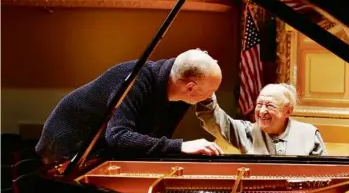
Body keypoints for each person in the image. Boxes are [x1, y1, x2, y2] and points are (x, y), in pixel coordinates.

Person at [36, 49, 224, 164]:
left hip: (101, 147)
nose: (211, 96)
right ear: (190, 87)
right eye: (211, 91)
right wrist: (180, 146)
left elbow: (153, 141)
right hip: (67, 145)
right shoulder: (136, 78)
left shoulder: (180, 95)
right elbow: (118, 136)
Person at [196, 83, 327, 156]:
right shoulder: (247, 132)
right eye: (259, 104)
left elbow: (324, 175)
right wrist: (205, 88)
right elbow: (213, 119)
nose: (262, 111)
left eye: (270, 105)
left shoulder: (309, 134)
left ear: (288, 111)